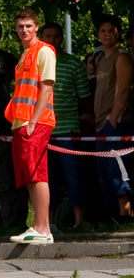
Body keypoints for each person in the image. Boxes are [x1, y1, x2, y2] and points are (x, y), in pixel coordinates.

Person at [6, 9, 56, 244]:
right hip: (23, 122)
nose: (24, 30)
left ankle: (42, 227)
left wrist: (33, 122)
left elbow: (47, 89)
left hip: (34, 122)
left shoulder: (43, 51)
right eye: (20, 27)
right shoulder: (25, 54)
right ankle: (40, 227)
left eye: (28, 26)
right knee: (32, 175)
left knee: (36, 175)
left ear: (36, 27)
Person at [40, 22, 91, 228]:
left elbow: (84, 96)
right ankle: (48, 222)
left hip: (68, 128)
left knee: (73, 176)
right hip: (43, 129)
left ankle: (80, 222)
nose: (52, 40)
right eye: (48, 36)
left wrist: (85, 117)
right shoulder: (36, 63)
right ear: (42, 39)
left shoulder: (73, 63)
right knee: (47, 179)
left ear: (62, 38)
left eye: (56, 36)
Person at [89, 14, 134, 220]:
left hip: (117, 123)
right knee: (105, 171)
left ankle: (125, 216)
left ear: (118, 33)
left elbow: (123, 89)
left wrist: (113, 118)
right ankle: (111, 218)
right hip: (100, 124)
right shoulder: (100, 59)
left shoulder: (121, 57)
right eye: (103, 30)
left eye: (111, 30)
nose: (107, 34)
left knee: (119, 170)